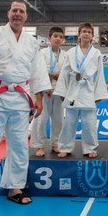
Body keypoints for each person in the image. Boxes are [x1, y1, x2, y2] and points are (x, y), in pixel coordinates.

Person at [0, 0, 51, 215]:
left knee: (20, 145)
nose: (18, 14)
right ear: (8, 13)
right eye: (15, 11)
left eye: (22, 12)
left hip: (20, 99)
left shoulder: (32, 42)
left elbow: (38, 71)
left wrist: (38, 97)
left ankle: (15, 187)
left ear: (26, 17)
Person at [54, 22, 108, 158]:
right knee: (69, 122)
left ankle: (90, 148)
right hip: (72, 93)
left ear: (92, 36)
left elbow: (100, 74)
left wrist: (99, 93)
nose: (86, 34)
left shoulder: (96, 53)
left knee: (89, 123)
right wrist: (62, 92)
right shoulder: (71, 52)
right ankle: (65, 147)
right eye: (84, 31)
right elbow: (65, 73)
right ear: (79, 35)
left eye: (89, 32)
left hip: (88, 92)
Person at [30, 27, 68, 157]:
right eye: (55, 36)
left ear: (63, 40)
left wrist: (57, 77)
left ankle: (55, 143)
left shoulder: (65, 55)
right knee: (41, 119)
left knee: (58, 120)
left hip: (59, 91)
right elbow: (36, 71)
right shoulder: (42, 53)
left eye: (60, 37)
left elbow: (67, 73)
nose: (58, 38)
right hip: (43, 91)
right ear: (49, 38)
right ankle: (39, 145)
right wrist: (48, 76)